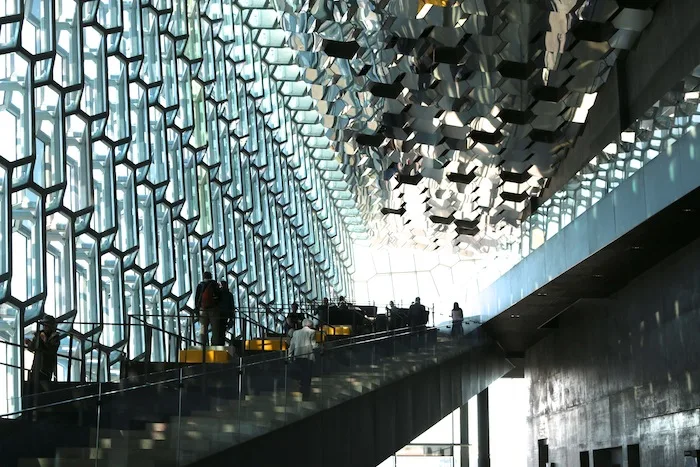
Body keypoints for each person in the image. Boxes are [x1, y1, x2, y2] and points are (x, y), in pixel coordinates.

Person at [25, 315, 60, 415]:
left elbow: (51, 350)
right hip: (37, 365)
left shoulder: (55, 337)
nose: (45, 327)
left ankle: (46, 407)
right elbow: (34, 348)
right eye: (44, 325)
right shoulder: (40, 335)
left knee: (44, 385)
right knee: (35, 384)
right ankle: (34, 408)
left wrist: (44, 340)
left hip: (46, 367)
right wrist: (29, 343)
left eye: (46, 325)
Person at [287, 319, 318, 400]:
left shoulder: (296, 332)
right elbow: (314, 345)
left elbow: (292, 345)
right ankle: (305, 394)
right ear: (310, 325)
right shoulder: (312, 332)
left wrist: (289, 356)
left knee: (301, 374)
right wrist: (321, 348)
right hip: (308, 357)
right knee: (307, 375)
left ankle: (301, 389)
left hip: (298, 356)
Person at [194, 271, 221, 346]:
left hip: (203, 309)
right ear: (211, 276)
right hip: (214, 309)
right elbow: (219, 297)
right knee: (215, 328)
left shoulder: (200, 285)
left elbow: (197, 298)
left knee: (203, 328)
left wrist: (197, 310)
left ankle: (203, 345)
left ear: (203, 277)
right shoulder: (214, 285)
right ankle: (215, 345)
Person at [218, 281, 235, 345]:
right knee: (223, 329)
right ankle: (221, 343)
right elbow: (231, 306)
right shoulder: (229, 294)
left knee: (217, 329)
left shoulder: (218, 293)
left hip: (217, 314)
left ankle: (216, 342)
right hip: (225, 314)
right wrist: (231, 317)